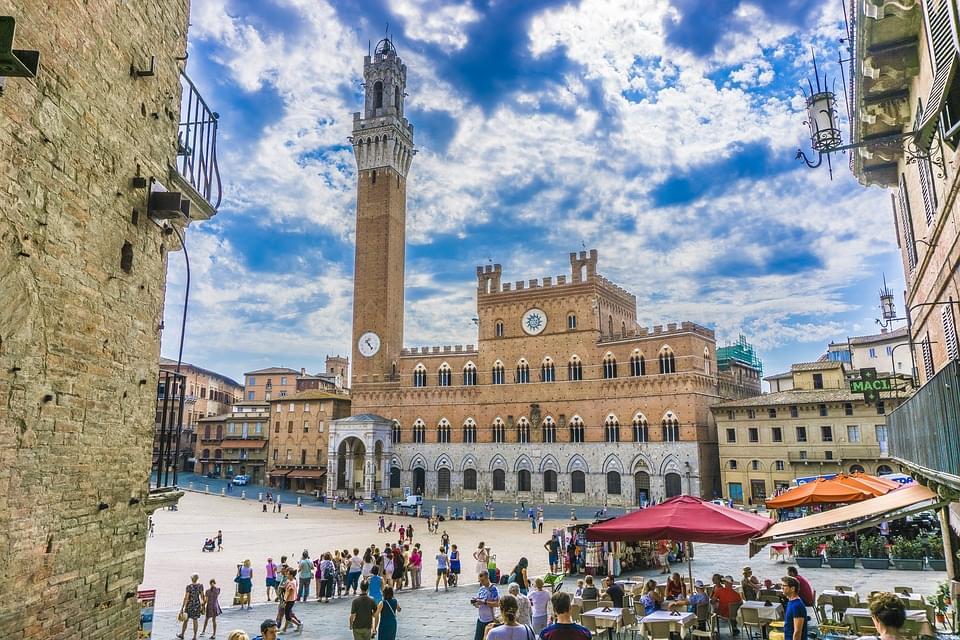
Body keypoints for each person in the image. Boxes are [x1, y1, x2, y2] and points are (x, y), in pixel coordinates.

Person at [472, 572, 500, 640]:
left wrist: (484, 602)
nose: (481, 582)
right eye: (480, 581)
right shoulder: (481, 589)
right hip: (481, 619)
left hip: (490, 620)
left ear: (487, 578)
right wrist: (476, 603)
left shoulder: (493, 589)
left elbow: (497, 603)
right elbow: (479, 603)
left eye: (482, 580)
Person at [177, 573, 205, 640]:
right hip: (197, 605)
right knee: (195, 620)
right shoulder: (200, 586)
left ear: (191, 579)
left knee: (185, 620)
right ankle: (194, 636)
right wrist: (203, 606)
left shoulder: (189, 587)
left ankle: (182, 634)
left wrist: (182, 607)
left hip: (189, 605)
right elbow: (202, 596)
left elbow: (186, 598)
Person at [281, 567, 303, 634]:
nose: (287, 575)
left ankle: (299, 624)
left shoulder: (291, 583)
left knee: (288, 616)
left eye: (288, 574)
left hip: (289, 600)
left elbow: (289, 592)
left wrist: (285, 600)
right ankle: (285, 629)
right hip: (292, 600)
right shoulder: (293, 580)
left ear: (291, 575)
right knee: (288, 614)